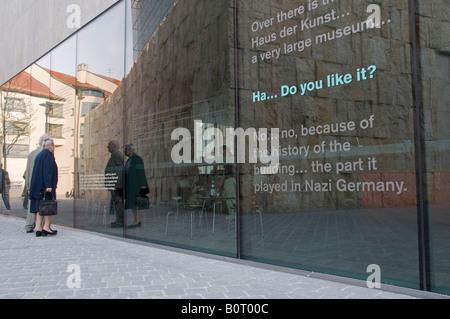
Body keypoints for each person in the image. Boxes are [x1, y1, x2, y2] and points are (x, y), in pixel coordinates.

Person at [29, 137, 58, 237]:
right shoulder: (48, 155)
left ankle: (39, 228)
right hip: (45, 187)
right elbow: (48, 170)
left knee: (39, 208)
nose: (54, 147)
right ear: (50, 146)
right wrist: (49, 185)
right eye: (53, 145)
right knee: (48, 206)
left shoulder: (39, 155)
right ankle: (46, 227)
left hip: (38, 187)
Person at [24, 134, 49, 233]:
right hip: (41, 184)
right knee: (43, 204)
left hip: (32, 183)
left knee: (32, 205)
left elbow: (27, 172)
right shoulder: (45, 153)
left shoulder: (32, 154)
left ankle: (29, 225)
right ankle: (43, 226)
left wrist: (27, 185)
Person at [124, 144, 149, 228]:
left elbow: (141, 172)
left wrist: (143, 185)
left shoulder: (137, 159)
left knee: (136, 203)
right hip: (130, 186)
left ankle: (137, 221)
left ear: (130, 150)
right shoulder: (129, 160)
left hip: (136, 185)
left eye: (126, 149)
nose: (124, 151)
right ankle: (136, 220)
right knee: (132, 204)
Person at [105, 140, 124, 228]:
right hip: (114, 183)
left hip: (116, 184)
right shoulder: (115, 155)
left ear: (114, 147)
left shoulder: (117, 156)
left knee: (118, 202)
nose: (107, 147)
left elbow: (119, 171)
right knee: (116, 202)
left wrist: (116, 184)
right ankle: (118, 220)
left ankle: (120, 221)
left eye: (109, 145)